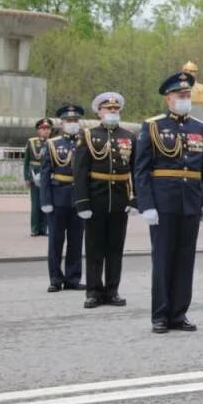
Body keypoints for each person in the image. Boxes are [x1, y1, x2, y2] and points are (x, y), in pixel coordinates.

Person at [134, 71, 203, 334]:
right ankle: (160, 314)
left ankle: (179, 313)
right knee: (163, 259)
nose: (184, 99)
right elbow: (142, 169)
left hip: (190, 202)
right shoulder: (153, 126)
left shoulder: (200, 129)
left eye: (187, 95)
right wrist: (146, 204)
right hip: (163, 203)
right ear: (168, 99)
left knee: (185, 260)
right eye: (180, 95)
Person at [73, 92, 134, 309]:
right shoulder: (88, 135)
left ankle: (113, 290)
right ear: (99, 112)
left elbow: (134, 170)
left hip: (119, 198)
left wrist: (134, 200)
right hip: (96, 197)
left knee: (115, 248)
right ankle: (93, 291)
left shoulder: (128, 136)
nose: (112, 113)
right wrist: (82, 202)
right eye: (108, 110)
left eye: (115, 110)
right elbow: (80, 171)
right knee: (94, 247)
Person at [39, 104, 85, 292]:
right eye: (69, 121)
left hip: (79, 199)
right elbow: (44, 175)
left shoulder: (85, 142)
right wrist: (46, 201)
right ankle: (55, 279)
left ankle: (73, 278)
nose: (72, 123)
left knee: (76, 241)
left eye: (75, 121)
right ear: (62, 123)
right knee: (56, 242)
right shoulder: (52, 144)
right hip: (58, 197)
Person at [25, 118, 52, 236]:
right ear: (38, 130)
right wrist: (26, 177)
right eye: (43, 129)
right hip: (34, 175)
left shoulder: (53, 142)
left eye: (47, 129)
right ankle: (35, 228)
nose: (45, 131)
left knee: (46, 202)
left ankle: (44, 228)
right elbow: (26, 161)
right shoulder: (31, 142)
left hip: (48, 176)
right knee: (35, 203)